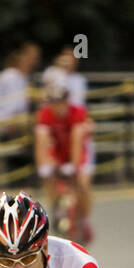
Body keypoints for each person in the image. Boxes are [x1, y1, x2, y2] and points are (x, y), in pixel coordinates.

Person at [34, 80, 93, 243]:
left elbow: (77, 139)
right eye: (54, 103)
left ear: (66, 102)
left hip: (78, 151)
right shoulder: (45, 114)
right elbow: (41, 139)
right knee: (49, 177)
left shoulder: (77, 113)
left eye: (60, 103)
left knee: (83, 183)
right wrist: (43, 164)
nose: (57, 107)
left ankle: (86, 218)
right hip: (58, 152)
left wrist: (74, 166)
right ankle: (54, 207)